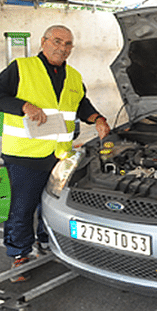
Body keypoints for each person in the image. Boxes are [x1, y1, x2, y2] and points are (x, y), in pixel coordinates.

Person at [0, 25, 110, 282]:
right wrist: (23, 106)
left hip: (59, 155)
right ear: (44, 42)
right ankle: (19, 254)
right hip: (26, 153)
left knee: (50, 204)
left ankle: (47, 243)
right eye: (58, 41)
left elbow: (81, 104)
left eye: (68, 44)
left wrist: (98, 118)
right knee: (24, 205)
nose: (63, 48)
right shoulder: (21, 67)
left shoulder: (73, 75)